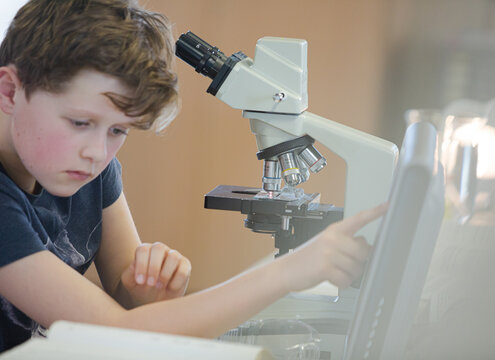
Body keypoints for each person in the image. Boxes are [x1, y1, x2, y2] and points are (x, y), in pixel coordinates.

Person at [0, 0, 387, 353]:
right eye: (80, 122)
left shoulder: (89, 170)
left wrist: (150, 287)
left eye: (118, 131)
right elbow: (116, 329)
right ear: (9, 91)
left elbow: (128, 298)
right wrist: (287, 272)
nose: (98, 152)